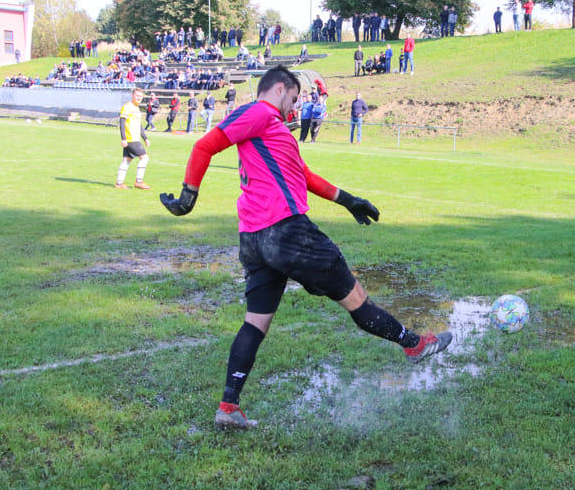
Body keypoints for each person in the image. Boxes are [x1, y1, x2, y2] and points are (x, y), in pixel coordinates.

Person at [159, 65, 452, 430]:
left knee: (256, 322)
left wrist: (349, 200)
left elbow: (305, 176)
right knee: (354, 296)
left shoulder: (273, 131)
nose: (294, 109)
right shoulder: (260, 112)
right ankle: (413, 344)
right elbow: (206, 145)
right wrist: (189, 196)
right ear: (279, 89)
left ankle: (228, 408)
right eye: (294, 100)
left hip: (254, 238)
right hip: (286, 231)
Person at [115, 88, 151, 190]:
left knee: (126, 160)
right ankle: (139, 181)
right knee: (144, 158)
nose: (139, 98)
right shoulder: (127, 107)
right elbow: (122, 123)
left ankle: (119, 183)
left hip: (134, 139)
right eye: (137, 96)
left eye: (140, 96)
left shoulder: (136, 108)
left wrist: (145, 138)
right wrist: (123, 139)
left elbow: (138, 125)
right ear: (132, 95)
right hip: (131, 139)